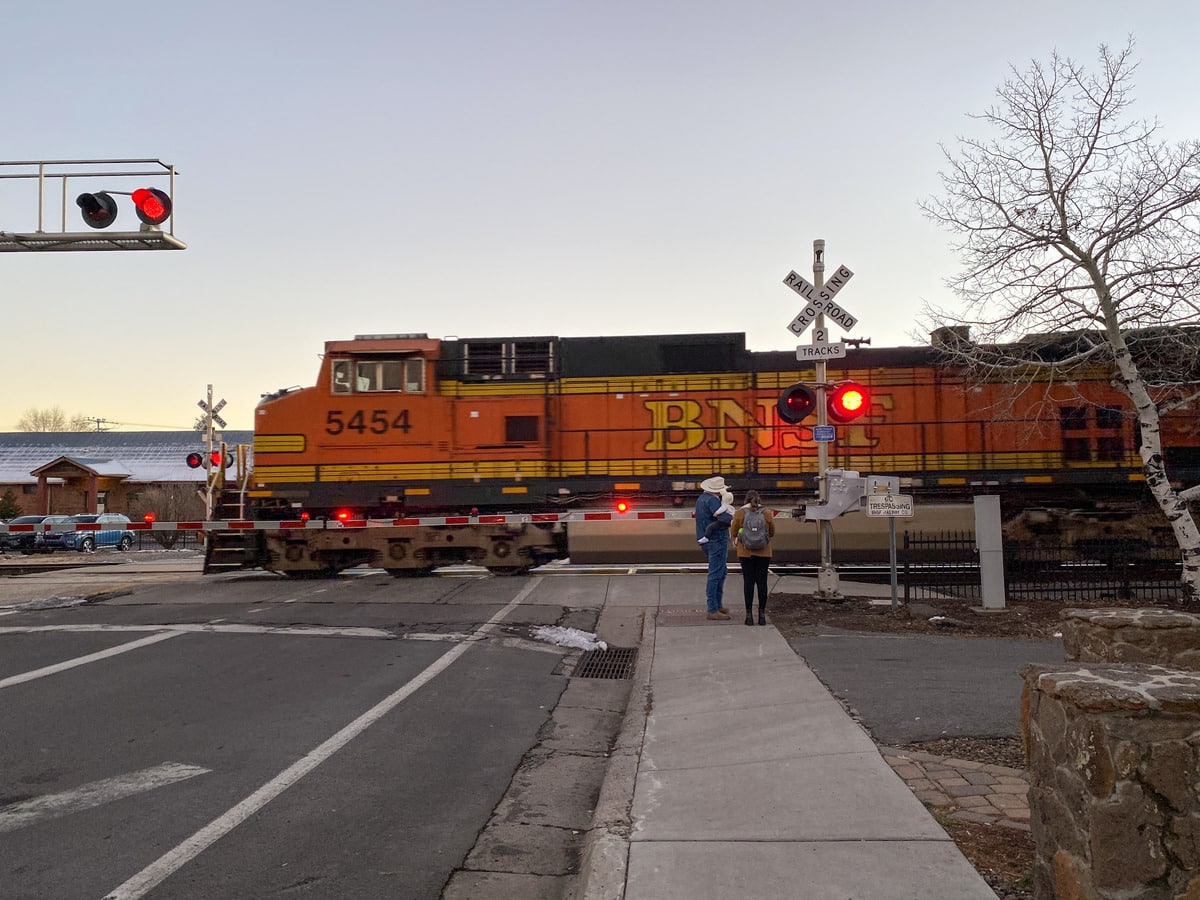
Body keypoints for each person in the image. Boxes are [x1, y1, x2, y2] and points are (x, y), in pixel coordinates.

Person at [731, 490, 775, 625]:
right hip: (764, 553)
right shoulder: (767, 513)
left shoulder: (740, 513)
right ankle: (762, 616)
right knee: (762, 583)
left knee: (748, 583)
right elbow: (772, 533)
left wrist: (741, 534)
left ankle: (749, 616)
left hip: (745, 553)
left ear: (746, 500)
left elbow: (733, 531)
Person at [695, 476, 734, 620]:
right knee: (716, 573)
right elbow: (724, 518)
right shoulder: (712, 501)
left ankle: (717, 605)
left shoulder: (701, 499)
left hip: (707, 540)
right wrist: (733, 518)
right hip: (716, 540)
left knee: (720, 571)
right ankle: (713, 609)